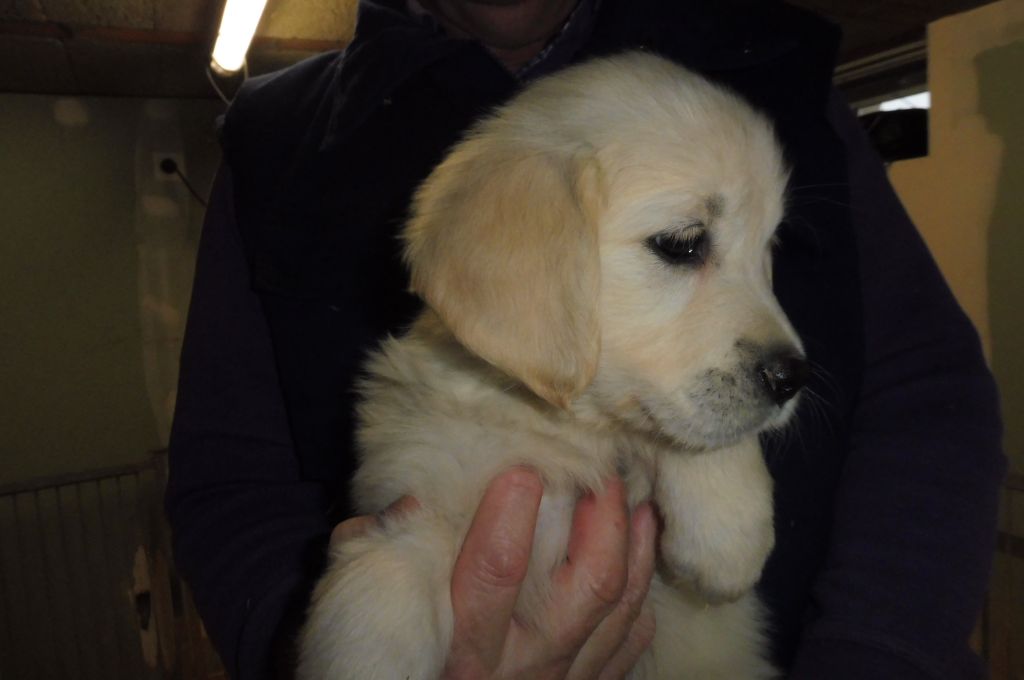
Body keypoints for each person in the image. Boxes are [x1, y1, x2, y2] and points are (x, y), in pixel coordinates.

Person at [165, 0, 1007, 678]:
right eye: (683, 244)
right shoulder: (275, 141)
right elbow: (231, 482)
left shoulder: (773, 67)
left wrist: (874, 658)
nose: (781, 344)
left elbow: (930, 395)